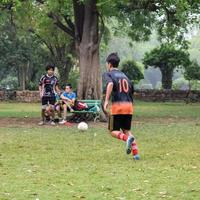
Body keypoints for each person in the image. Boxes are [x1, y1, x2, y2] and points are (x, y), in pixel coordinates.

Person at [103, 52, 140, 160]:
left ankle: (126, 139)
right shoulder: (125, 76)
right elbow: (132, 90)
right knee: (127, 130)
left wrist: (106, 100)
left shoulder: (109, 74)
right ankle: (136, 154)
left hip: (118, 106)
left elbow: (110, 84)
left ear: (109, 64)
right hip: (129, 106)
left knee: (113, 131)